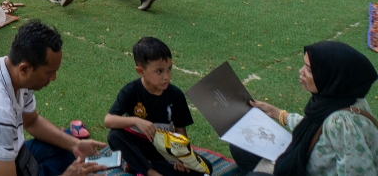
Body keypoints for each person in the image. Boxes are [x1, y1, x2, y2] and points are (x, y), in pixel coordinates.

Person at [0, 20, 106, 176]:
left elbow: (31, 122)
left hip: (11, 156)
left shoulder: (10, 71)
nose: (54, 78)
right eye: (49, 72)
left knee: (71, 148)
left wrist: (75, 145)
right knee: (70, 164)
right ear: (25, 69)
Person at [230, 41, 378, 176]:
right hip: (304, 162)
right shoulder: (339, 97)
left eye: (309, 69)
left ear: (330, 75)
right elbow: (315, 129)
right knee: (241, 146)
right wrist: (278, 113)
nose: (301, 71)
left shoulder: (342, 122)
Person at [105, 37, 205, 176]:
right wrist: (136, 120)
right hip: (139, 146)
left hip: (163, 151)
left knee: (204, 168)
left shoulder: (175, 95)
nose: (166, 76)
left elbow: (180, 130)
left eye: (169, 69)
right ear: (141, 71)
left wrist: (182, 158)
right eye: (159, 71)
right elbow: (108, 120)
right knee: (115, 136)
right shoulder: (131, 91)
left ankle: (140, 166)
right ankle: (151, 172)